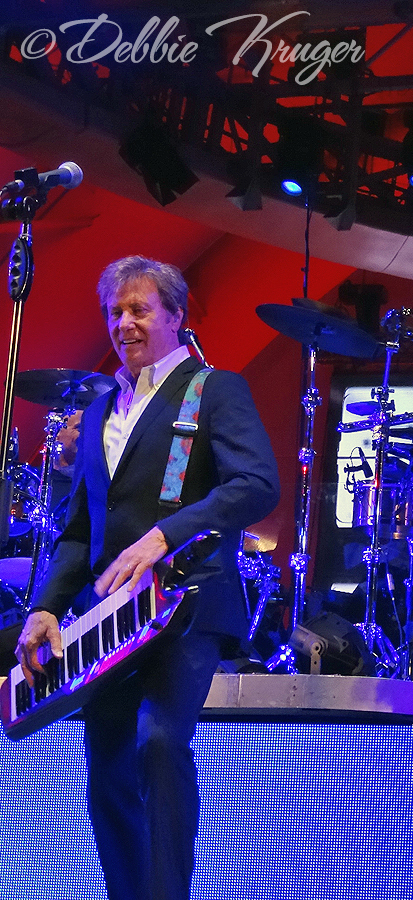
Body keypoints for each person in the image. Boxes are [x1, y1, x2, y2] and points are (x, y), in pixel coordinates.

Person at [16, 256, 280, 900]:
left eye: (139, 309)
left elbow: (257, 484)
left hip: (187, 603)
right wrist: (45, 607)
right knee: (107, 771)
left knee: (157, 743)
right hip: (108, 618)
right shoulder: (100, 409)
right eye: (114, 311)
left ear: (175, 316)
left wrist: (165, 534)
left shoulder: (214, 389)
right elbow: (79, 529)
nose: (123, 323)